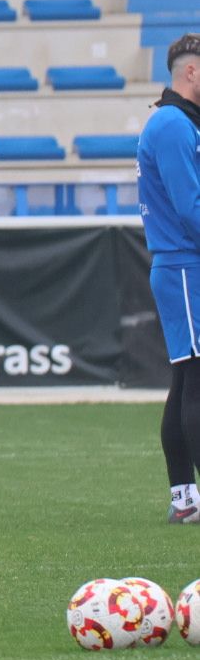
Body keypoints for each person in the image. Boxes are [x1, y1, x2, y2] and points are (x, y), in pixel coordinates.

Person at [137, 32, 200, 524]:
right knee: (195, 379)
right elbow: (190, 209)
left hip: (182, 265)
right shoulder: (174, 125)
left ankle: (184, 497)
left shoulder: (178, 122)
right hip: (185, 265)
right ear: (191, 71)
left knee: (186, 379)